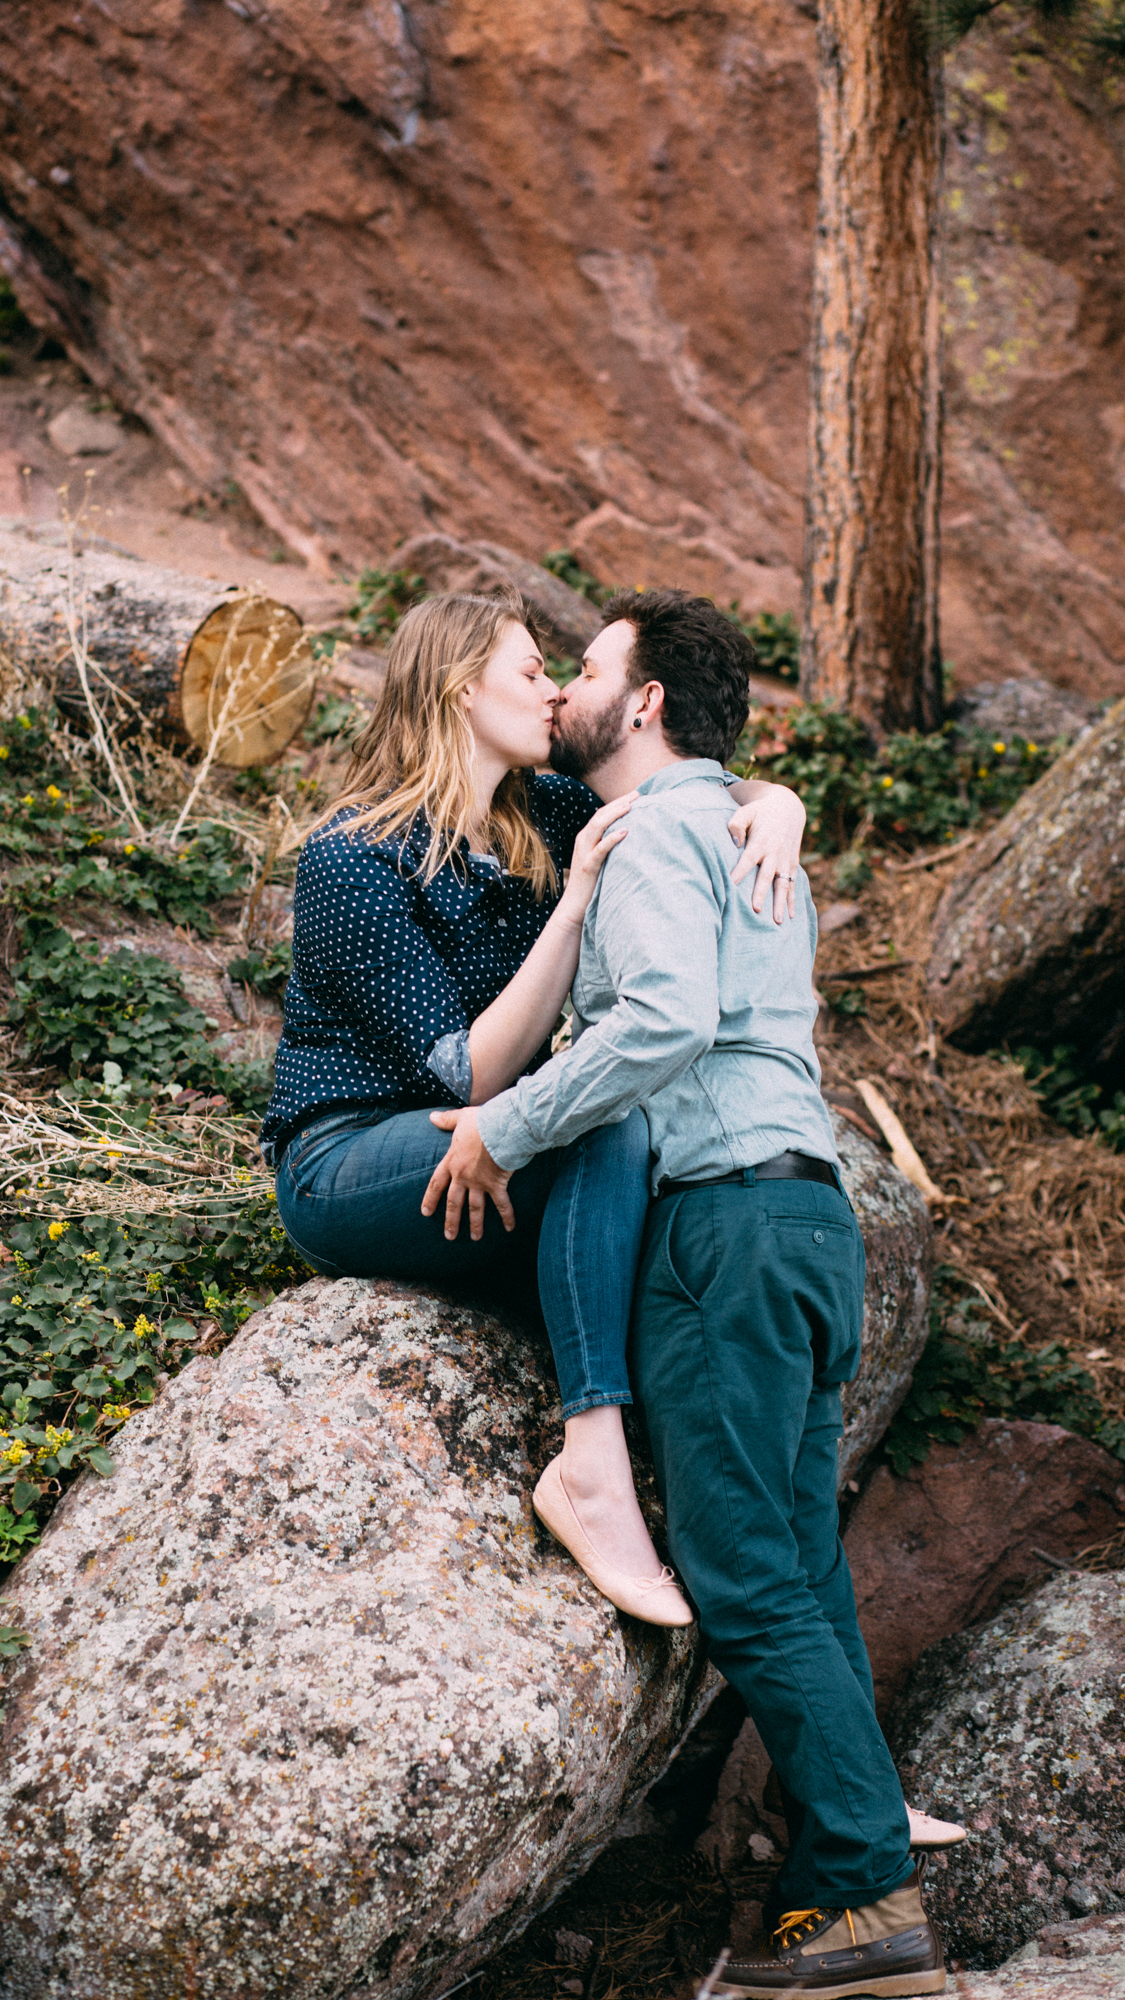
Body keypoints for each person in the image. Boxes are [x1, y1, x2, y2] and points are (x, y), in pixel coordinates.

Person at [423, 590, 951, 1998]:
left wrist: (505, 1125)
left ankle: (860, 1898)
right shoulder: (730, 821)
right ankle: (849, 1883)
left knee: (737, 1569)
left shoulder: (663, 829)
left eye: (588, 668)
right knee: (794, 1561)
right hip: (807, 1219)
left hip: (722, 1226)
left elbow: (660, 1021)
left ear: (643, 702)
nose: (567, 692)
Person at [260, 585, 806, 1626]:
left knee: (627, 1156)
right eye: (529, 671)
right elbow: (465, 1077)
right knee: (600, 1114)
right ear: (462, 689)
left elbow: (685, 782)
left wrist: (776, 802)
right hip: (353, 1157)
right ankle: (591, 1462)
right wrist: (573, 908)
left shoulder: (543, 812)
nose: (554, 690)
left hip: (488, 1151)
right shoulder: (350, 858)